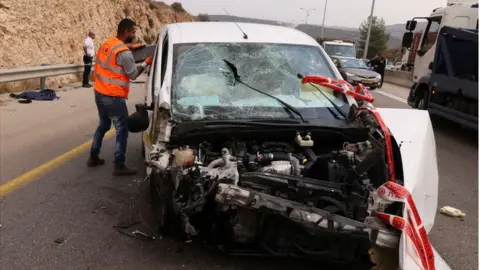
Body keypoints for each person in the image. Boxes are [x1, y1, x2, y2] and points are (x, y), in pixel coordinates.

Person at [87, 18, 153, 176]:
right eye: (133, 32)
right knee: (122, 129)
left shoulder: (108, 43)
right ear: (127, 32)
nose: (135, 34)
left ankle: (93, 157)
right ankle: (119, 165)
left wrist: (129, 46)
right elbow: (133, 75)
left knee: (103, 124)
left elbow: (113, 57)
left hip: (99, 92)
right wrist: (146, 63)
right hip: (113, 96)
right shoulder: (124, 53)